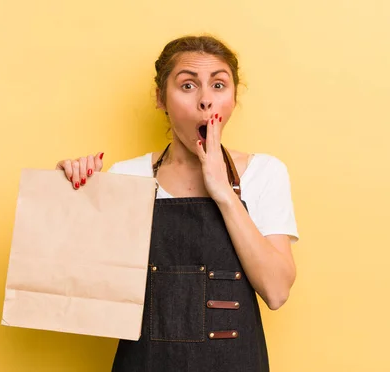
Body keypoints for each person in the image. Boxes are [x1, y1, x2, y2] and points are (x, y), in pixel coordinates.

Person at [55, 35, 299, 372]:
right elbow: (85, 292)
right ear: (160, 98)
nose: (205, 101)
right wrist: (71, 195)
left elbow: (276, 292)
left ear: (233, 97)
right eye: (187, 86)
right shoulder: (128, 175)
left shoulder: (265, 173)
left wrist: (223, 191)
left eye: (218, 85)